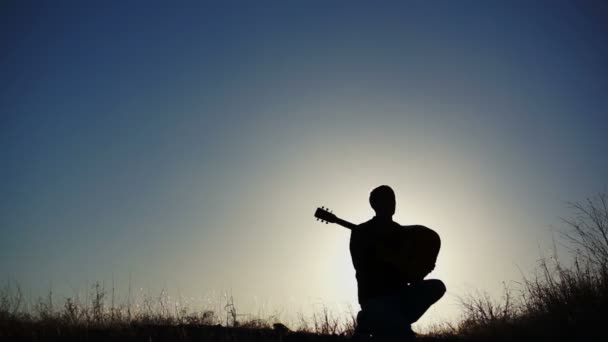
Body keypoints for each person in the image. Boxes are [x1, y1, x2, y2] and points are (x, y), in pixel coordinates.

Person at [350, 185, 446, 338]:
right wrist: (385, 257)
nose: (392, 204)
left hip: (399, 295)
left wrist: (422, 267)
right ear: (375, 205)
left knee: (437, 286)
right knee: (403, 336)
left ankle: (374, 320)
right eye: (386, 200)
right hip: (374, 297)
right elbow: (361, 267)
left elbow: (412, 275)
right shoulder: (361, 232)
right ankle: (376, 318)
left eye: (393, 200)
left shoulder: (402, 233)